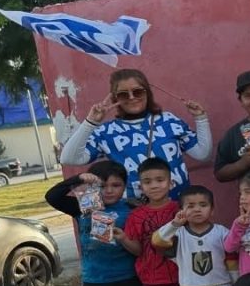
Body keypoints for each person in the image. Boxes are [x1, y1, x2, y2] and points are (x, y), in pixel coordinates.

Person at [60, 68, 210, 200]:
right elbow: (69, 158)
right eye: (124, 95)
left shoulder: (169, 120)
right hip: (136, 213)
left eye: (138, 91)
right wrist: (90, 122)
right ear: (115, 99)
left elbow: (202, 154)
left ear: (147, 93)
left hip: (178, 209)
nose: (132, 97)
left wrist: (200, 118)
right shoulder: (106, 132)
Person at [44, 160, 142, 286]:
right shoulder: (82, 206)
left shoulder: (132, 210)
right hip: (94, 282)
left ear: (125, 186)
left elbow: (141, 248)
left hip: (127, 280)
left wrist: (123, 237)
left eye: (116, 185)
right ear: (93, 186)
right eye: (102, 186)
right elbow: (52, 197)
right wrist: (79, 178)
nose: (109, 191)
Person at [153, 186, 236, 286]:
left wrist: (236, 285)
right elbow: (157, 240)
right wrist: (174, 224)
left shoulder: (221, 232)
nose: (197, 209)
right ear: (181, 211)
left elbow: (232, 260)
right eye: (190, 206)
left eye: (203, 205)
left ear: (212, 210)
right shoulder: (178, 234)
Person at [125, 157, 180, 286]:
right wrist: (121, 238)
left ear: (171, 183)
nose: (154, 185)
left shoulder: (180, 209)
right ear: (141, 187)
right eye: (148, 182)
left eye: (160, 180)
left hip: (181, 276)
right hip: (151, 279)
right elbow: (137, 250)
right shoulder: (136, 216)